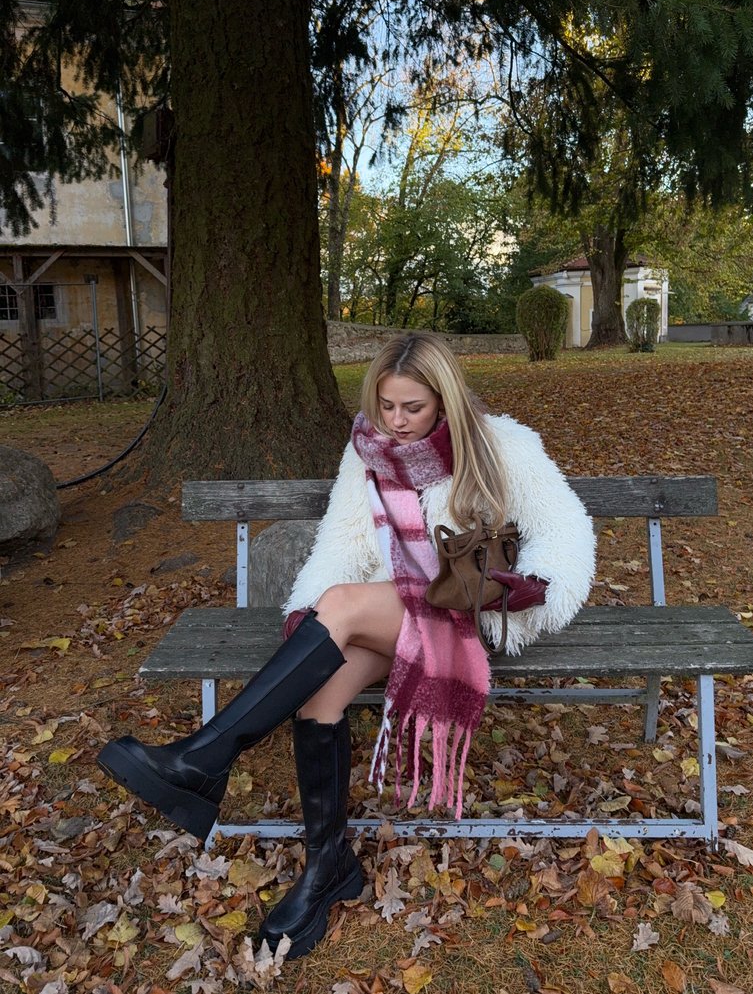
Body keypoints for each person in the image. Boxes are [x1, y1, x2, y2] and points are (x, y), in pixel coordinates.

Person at [98, 332, 595, 959]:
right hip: (397, 612)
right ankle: (326, 867)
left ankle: (203, 760)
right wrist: (309, 623)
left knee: (341, 608)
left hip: (469, 611)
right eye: (386, 405)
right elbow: (340, 542)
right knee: (321, 688)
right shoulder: (366, 453)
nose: (396, 420)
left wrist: (532, 588)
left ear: (444, 400)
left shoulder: (501, 446)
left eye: (411, 407)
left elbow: (566, 526)